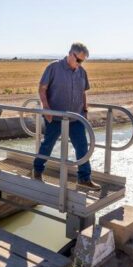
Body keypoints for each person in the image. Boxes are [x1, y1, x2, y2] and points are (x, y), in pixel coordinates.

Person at [32, 42, 101, 191]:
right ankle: (37, 171)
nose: (81, 63)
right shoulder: (53, 68)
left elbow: (83, 92)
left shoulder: (81, 72)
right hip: (55, 117)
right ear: (70, 54)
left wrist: (85, 110)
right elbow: (42, 89)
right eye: (79, 60)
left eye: (83, 61)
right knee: (48, 144)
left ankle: (84, 178)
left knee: (82, 146)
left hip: (76, 118)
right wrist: (47, 109)